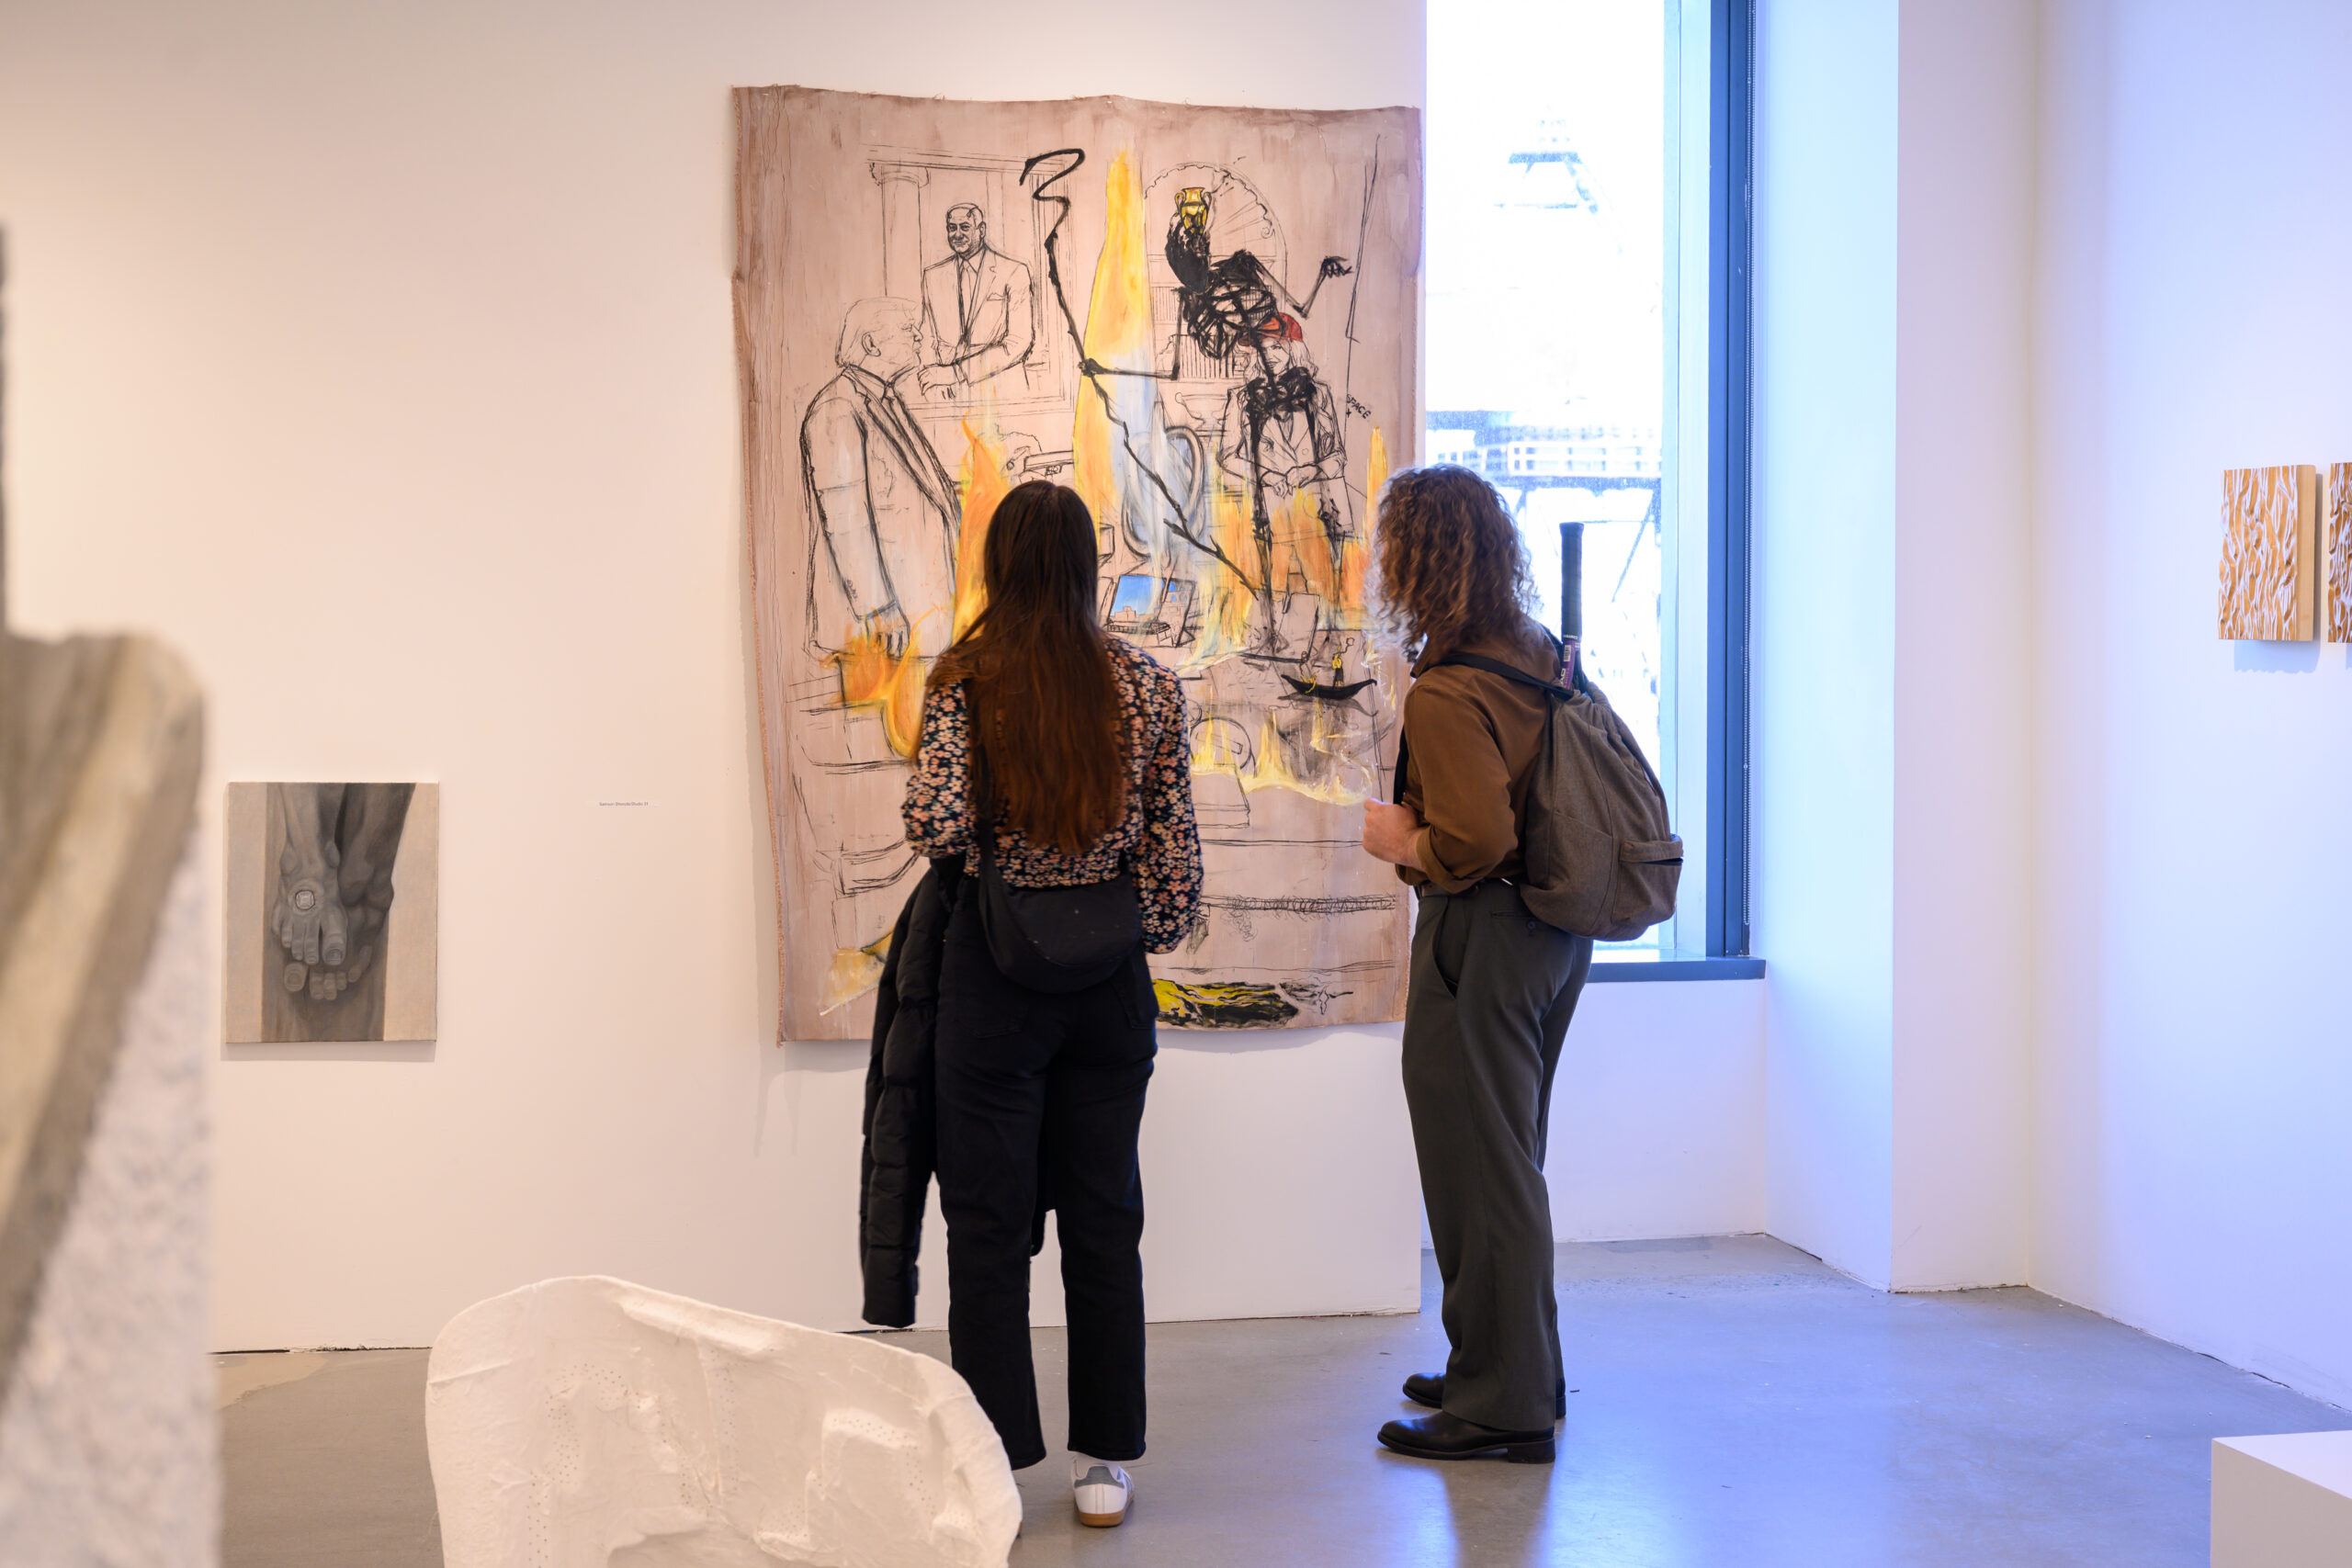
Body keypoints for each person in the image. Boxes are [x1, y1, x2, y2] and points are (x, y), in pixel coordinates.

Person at [900, 480, 1204, 1528]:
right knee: (1104, 1220)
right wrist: (1120, 919)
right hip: (1109, 985)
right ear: (1083, 568)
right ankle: (1104, 1463)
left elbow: (936, 826)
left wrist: (1004, 843)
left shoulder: (969, 680)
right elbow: (1175, 877)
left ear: (1000, 566)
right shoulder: (1150, 686)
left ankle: (993, 1463)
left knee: (986, 1227)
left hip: (995, 974)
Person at [1358, 464, 1594, 1465]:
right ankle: (1505, 1364)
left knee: (1480, 1166)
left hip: (1482, 934)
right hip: (1548, 934)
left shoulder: (1449, 691)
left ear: (1418, 558)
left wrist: (1396, 841)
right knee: (1504, 1159)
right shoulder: (1536, 654)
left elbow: (1473, 842)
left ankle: (1503, 1408)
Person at [801, 297, 961, 661]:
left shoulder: (885, 398)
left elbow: (916, 488)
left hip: (914, 619)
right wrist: (878, 608)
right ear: (871, 343)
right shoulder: (837, 408)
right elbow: (845, 521)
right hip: (882, 629)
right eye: (908, 330)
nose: (920, 338)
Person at [917, 204, 1037, 399]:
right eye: (952, 228)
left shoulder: (1014, 271)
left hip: (1002, 390)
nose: (957, 234)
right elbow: (928, 338)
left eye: (964, 227)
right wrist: (932, 379)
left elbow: (1019, 341)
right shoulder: (932, 276)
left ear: (981, 230)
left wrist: (956, 373)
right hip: (947, 394)